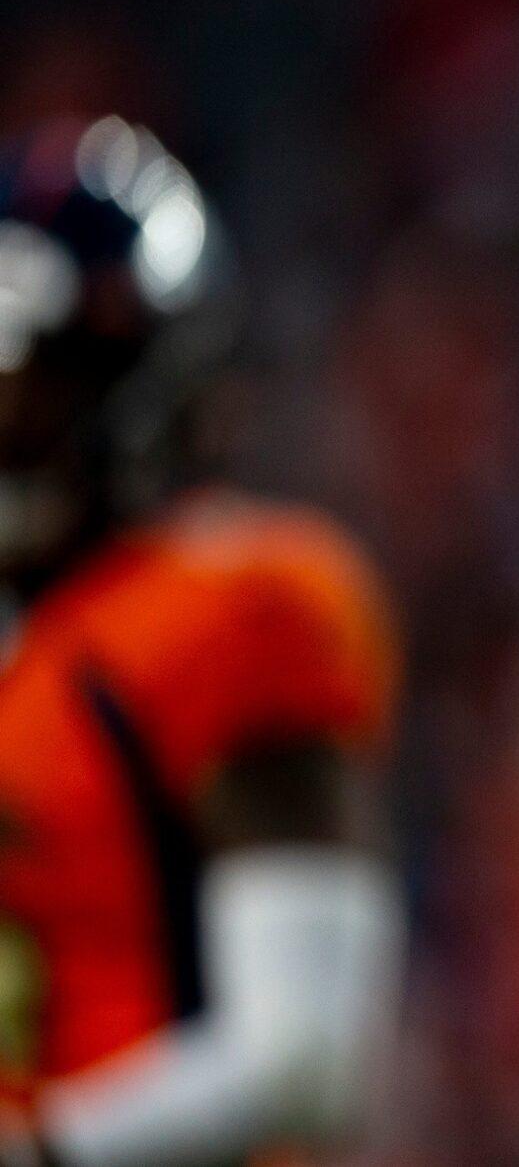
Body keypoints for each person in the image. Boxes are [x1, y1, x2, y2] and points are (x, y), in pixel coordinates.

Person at [0, 117, 402, 1167]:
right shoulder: (35, 645)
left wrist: (42, 1151)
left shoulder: (234, 609)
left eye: (38, 376)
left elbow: (304, 1061)